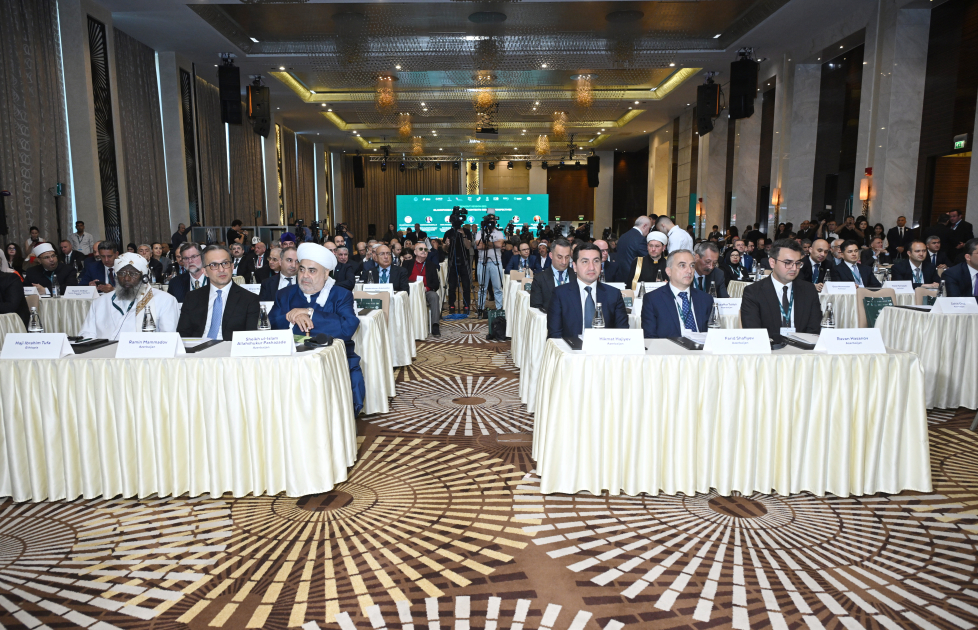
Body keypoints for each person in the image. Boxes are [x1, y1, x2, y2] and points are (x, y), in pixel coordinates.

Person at [269, 243, 365, 415]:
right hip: (290, 364)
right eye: (302, 269)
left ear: (326, 274)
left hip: (333, 363)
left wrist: (310, 313)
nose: (305, 276)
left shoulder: (341, 295)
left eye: (312, 271)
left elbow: (347, 328)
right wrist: (292, 317)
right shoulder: (284, 294)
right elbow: (272, 324)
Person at [79, 253, 179, 339]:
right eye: (121, 273)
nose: (126, 278)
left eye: (133, 274)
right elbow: (86, 335)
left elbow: (168, 338)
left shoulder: (165, 300)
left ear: (144, 277)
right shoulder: (100, 302)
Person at [741, 239, 822, 340]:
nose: (794, 268)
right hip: (770, 348)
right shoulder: (753, 292)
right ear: (772, 262)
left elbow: (814, 329)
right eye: (788, 262)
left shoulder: (809, 290)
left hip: (803, 347)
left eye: (797, 263)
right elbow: (753, 332)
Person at [177, 245, 260, 340]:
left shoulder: (249, 299)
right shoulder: (192, 297)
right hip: (198, 347)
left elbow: (250, 338)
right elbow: (183, 335)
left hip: (230, 347)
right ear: (205, 271)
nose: (221, 269)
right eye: (214, 265)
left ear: (232, 267)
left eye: (225, 263)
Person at [547, 244, 628, 338]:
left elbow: (623, 333)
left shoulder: (614, 294)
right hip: (571, 347)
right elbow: (555, 335)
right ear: (575, 266)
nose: (591, 267)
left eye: (596, 261)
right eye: (585, 262)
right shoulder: (560, 294)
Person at [641, 249, 713, 338]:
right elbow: (650, 337)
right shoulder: (653, 299)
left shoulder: (706, 299)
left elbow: (714, 333)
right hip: (669, 346)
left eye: (692, 265)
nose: (689, 271)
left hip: (702, 346)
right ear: (669, 271)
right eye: (682, 265)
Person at [530, 238, 574, 312]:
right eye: (559, 257)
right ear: (551, 255)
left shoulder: (577, 276)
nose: (564, 262)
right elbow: (535, 310)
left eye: (567, 257)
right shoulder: (539, 279)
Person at [409, 243, 442, 336]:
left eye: (426, 249)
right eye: (421, 249)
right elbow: (402, 279)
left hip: (426, 291)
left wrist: (426, 288)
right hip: (410, 291)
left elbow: (436, 284)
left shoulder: (431, 265)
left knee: (434, 296)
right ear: (415, 252)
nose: (424, 251)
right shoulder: (408, 264)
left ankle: (435, 325)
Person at [474, 215, 506, 311]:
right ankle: (481, 308)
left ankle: (499, 308)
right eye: (490, 220)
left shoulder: (499, 233)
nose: (491, 222)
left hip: (496, 262)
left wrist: (486, 243)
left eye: (493, 220)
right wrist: (493, 244)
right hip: (482, 262)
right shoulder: (480, 233)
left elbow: (499, 245)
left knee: (498, 287)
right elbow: (478, 246)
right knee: (482, 287)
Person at [443, 223, 472, 315]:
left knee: (466, 286)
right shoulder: (448, 233)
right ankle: (451, 305)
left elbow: (468, 246)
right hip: (452, 262)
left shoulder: (467, 232)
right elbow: (444, 249)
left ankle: (466, 305)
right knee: (452, 286)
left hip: (464, 262)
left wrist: (463, 235)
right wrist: (446, 245)